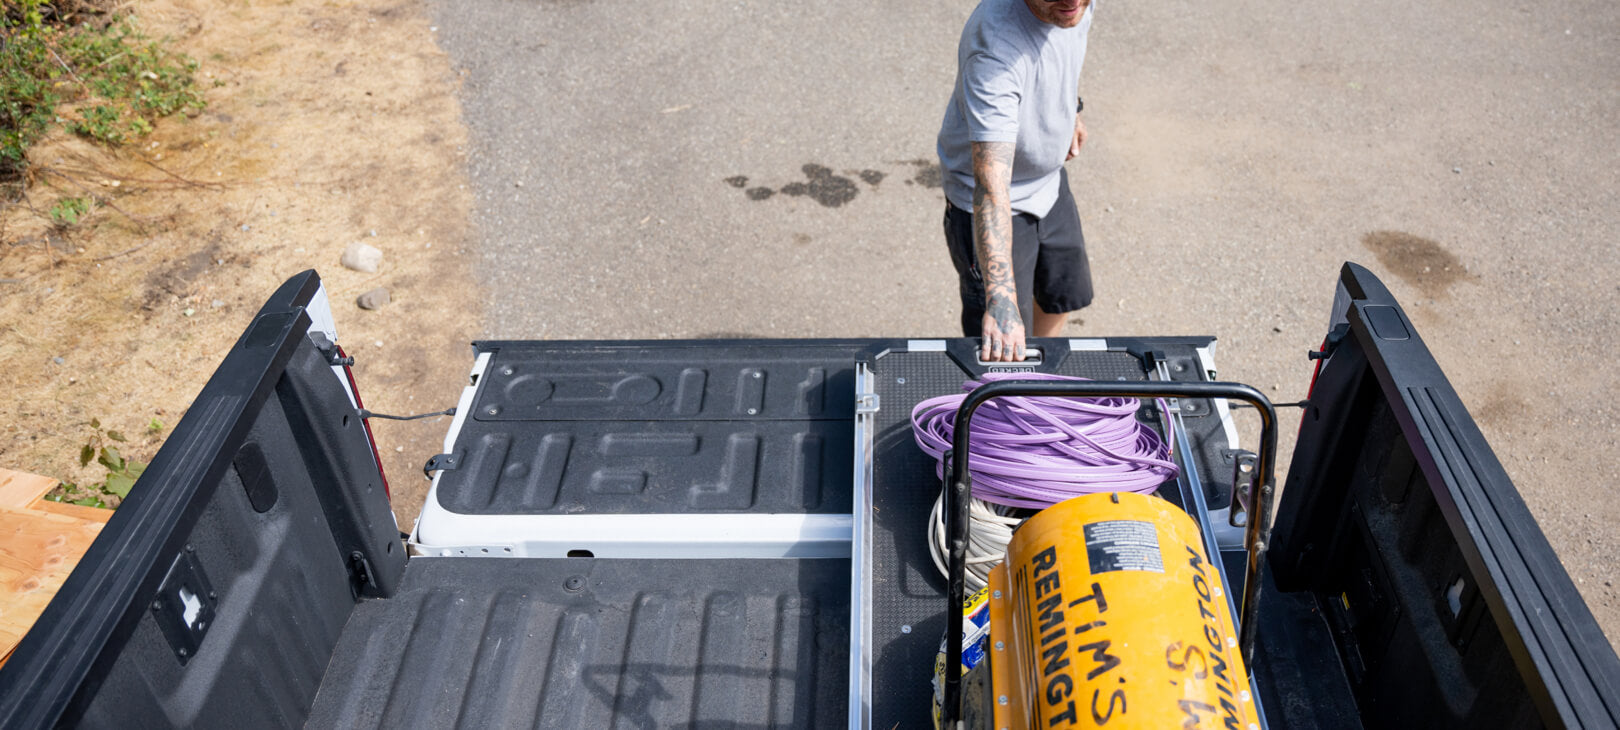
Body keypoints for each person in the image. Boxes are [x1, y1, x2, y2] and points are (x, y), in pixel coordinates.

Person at [937, 0, 1096, 363]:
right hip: (994, 204)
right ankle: (1012, 399)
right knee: (1003, 348)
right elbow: (992, 189)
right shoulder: (996, 51)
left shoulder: (1073, 6)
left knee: (1060, 296)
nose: (1073, 2)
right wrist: (1001, 297)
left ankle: (1043, 374)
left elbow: (1062, 53)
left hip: (1049, 185)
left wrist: (1072, 109)